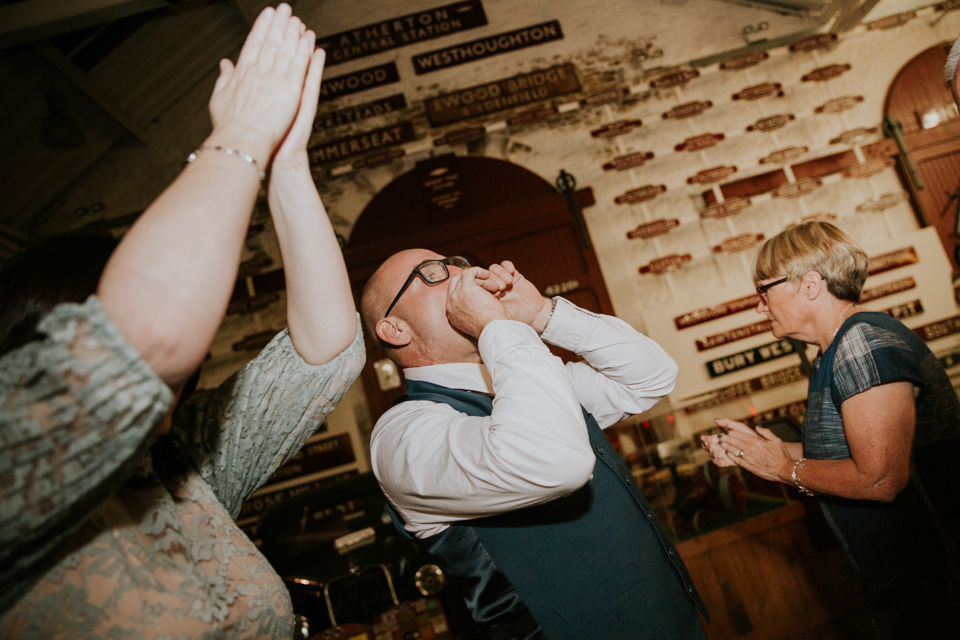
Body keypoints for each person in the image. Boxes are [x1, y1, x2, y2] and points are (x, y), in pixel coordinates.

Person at [0, 5, 364, 638]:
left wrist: (286, 166)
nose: (183, 373)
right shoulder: (15, 458)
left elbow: (326, 351)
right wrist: (240, 134)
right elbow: (150, 335)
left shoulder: (178, 466)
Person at [361, 251, 708, 640]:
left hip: (673, 619)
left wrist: (542, 313)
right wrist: (495, 326)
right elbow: (556, 463)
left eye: (455, 260)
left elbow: (650, 378)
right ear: (394, 329)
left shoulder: (524, 377)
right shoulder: (401, 435)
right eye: (430, 273)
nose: (461, 272)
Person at [701, 221, 960, 639]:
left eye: (763, 291)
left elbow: (880, 477)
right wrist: (759, 451)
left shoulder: (863, 344)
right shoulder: (835, 351)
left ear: (809, 284)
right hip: (907, 586)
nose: (759, 307)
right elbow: (851, 452)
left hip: (936, 588)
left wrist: (784, 469)